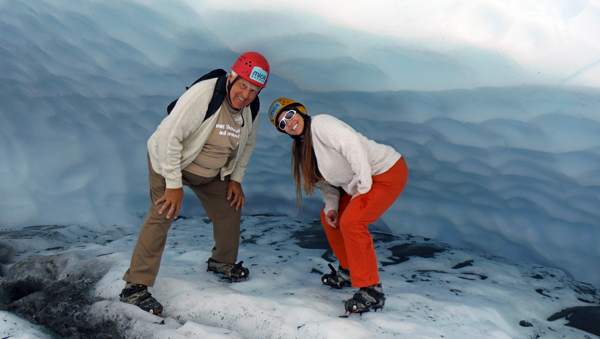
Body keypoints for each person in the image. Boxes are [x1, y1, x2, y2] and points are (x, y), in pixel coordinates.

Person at [120, 52, 270, 315]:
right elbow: (169, 136)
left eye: (254, 90)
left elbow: (247, 146)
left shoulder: (251, 109)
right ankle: (135, 287)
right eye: (243, 85)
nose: (246, 95)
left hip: (209, 172)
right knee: (163, 212)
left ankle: (221, 263)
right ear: (232, 77)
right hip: (171, 161)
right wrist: (173, 184)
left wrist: (235, 180)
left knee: (229, 207)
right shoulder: (204, 95)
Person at [268, 98, 408, 314]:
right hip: (359, 183)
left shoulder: (321, 124)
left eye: (289, 115)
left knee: (353, 221)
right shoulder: (304, 148)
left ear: (299, 111)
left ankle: (372, 290)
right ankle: (350, 270)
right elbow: (325, 183)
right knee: (329, 218)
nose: (289, 122)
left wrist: (363, 186)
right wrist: (332, 206)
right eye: (282, 124)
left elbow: (353, 145)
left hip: (385, 172)